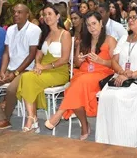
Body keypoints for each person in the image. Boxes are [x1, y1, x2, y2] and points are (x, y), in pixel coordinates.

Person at [95, 7, 137, 147]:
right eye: (129, 18)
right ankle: (106, 139)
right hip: (121, 78)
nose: (130, 20)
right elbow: (114, 60)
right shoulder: (124, 38)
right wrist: (121, 73)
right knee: (105, 95)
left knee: (120, 97)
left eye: (134, 18)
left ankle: (125, 141)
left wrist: (130, 75)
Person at [44, 11, 116, 139]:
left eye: (94, 23)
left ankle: (59, 114)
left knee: (75, 86)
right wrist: (80, 59)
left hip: (102, 74)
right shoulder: (83, 41)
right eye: (88, 25)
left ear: (101, 23)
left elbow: (116, 63)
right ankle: (84, 125)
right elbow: (76, 62)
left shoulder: (110, 40)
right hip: (83, 73)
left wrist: (101, 61)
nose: (91, 27)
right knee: (76, 86)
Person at [0, 4, 41, 129]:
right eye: (14, 12)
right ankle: (1, 118)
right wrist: (3, 71)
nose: (16, 15)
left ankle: (5, 119)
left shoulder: (34, 29)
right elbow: (6, 53)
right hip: (10, 68)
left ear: (27, 14)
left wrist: (15, 73)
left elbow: (31, 56)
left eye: (19, 12)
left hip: (26, 71)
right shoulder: (10, 29)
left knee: (11, 89)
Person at [17, 4, 72, 132]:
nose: (46, 17)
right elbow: (39, 53)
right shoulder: (45, 34)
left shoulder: (65, 34)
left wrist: (44, 66)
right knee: (26, 76)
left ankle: (32, 119)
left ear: (58, 16)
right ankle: (32, 117)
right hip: (44, 69)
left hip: (59, 71)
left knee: (28, 78)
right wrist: (37, 64)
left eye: (49, 14)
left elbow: (64, 59)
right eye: (44, 14)